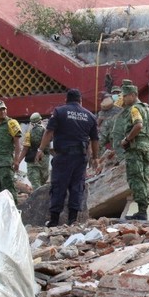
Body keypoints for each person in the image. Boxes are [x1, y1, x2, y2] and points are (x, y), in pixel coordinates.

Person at [36, 89, 98, 227]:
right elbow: (95, 139)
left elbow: (49, 132)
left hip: (64, 155)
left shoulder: (59, 111)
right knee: (77, 186)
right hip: (81, 157)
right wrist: (95, 157)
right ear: (80, 101)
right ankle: (72, 220)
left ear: (66, 100)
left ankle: (54, 220)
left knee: (59, 185)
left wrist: (40, 149)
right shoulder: (90, 115)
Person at [119, 84, 149, 220]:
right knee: (144, 178)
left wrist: (127, 140)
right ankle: (143, 210)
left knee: (136, 178)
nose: (123, 99)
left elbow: (138, 125)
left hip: (135, 148)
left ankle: (141, 211)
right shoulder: (148, 110)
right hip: (146, 147)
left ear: (133, 95)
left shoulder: (134, 109)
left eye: (125, 96)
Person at [0, 100, 22, 205]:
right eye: (0, 110)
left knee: (9, 190)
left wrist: (16, 160)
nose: (3, 112)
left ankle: (14, 214)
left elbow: (17, 142)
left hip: (5, 164)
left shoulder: (11, 123)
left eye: (4, 109)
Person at [17, 112, 49, 190]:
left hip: (33, 162)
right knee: (43, 185)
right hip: (44, 162)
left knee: (36, 185)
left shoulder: (29, 133)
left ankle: (37, 201)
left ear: (31, 123)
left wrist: (18, 161)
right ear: (40, 120)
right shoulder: (46, 133)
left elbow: (25, 148)